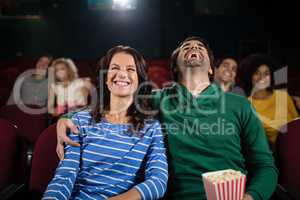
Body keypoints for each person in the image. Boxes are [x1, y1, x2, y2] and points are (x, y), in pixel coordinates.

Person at [56, 37, 278, 200]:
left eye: (199, 47)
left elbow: (266, 166)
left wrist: (250, 198)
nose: (193, 47)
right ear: (174, 67)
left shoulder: (239, 105)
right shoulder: (157, 99)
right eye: (186, 47)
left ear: (211, 68)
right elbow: (109, 106)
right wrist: (66, 118)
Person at [43, 46, 168, 200]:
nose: (122, 74)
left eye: (130, 69)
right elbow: (64, 177)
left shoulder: (151, 127)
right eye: (115, 68)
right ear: (106, 80)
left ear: (139, 81)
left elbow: (158, 181)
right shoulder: (80, 121)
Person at [240, 54, 299, 150]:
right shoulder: (246, 104)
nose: (261, 77)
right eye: (257, 73)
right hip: (271, 153)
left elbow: (297, 123)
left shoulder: (283, 96)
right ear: (250, 76)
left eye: (266, 73)